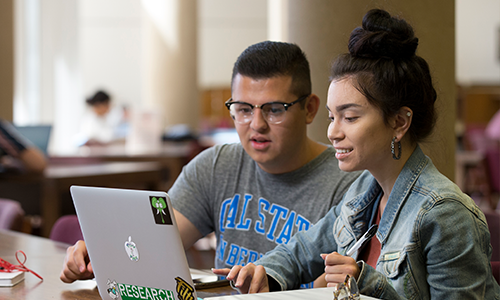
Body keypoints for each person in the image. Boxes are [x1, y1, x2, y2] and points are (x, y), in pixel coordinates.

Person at [214, 9, 500, 299]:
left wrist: (367, 284)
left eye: (349, 118)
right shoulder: (364, 190)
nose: (332, 133)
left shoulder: (445, 212)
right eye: (331, 117)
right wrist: (265, 271)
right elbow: (301, 250)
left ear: (399, 122)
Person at [60, 41, 361, 286]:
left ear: (309, 109)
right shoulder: (217, 165)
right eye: (243, 109)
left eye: (274, 110)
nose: (256, 125)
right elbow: (155, 242)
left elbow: (328, 289)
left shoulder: (348, 183)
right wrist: (103, 252)